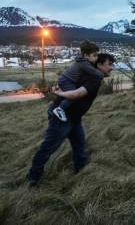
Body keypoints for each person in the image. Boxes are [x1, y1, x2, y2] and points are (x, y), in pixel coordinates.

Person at [25, 53, 115, 187]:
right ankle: (32, 177)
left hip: (74, 117)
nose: (112, 68)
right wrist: (60, 93)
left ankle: (81, 170)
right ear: (100, 65)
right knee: (49, 147)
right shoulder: (94, 78)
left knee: (79, 144)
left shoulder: (89, 74)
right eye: (110, 65)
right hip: (62, 117)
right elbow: (77, 94)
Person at [53, 40, 103, 122]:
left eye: (97, 55)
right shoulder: (84, 64)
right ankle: (60, 109)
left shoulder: (82, 60)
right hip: (66, 80)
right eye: (94, 55)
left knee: (73, 95)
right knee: (74, 96)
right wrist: (102, 75)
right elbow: (93, 71)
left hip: (66, 79)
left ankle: (62, 106)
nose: (96, 58)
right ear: (86, 55)